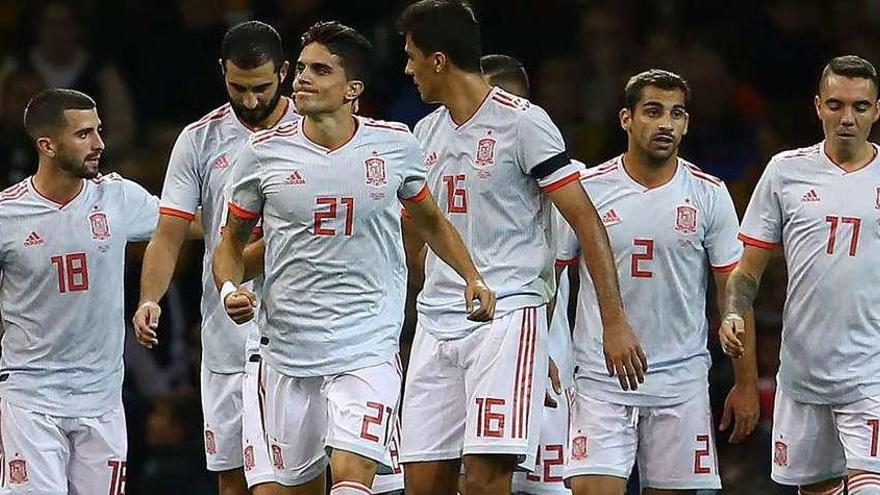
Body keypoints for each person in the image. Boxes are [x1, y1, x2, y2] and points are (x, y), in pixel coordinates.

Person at [213, 21, 494, 495]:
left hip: (367, 344)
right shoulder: (261, 154)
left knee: (352, 477)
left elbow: (430, 221)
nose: (301, 79)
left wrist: (472, 277)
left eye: (320, 71)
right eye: (301, 68)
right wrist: (228, 289)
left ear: (353, 89)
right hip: (287, 349)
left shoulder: (394, 144)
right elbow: (229, 244)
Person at [395, 3, 644, 494]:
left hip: (508, 314)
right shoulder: (423, 134)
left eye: (411, 56)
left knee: (487, 478)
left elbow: (587, 223)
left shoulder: (525, 124)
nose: (408, 69)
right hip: (436, 317)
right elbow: (414, 231)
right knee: (422, 481)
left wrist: (614, 322)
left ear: (439, 60)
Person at [557, 69, 760, 494]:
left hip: (680, 382)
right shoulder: (588, 190)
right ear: (626, 119)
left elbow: (734, 290)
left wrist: (745, 383)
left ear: (686, 124)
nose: (666, 123)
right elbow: (551, 279)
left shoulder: (708, 193)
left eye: (676, 114)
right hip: (600, 379)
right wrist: (547, 356)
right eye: (652, 111)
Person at [132, 21, 294, 495]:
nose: (250, 100)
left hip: (300, 331)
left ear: (283, 73)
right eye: (237, 87)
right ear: (221, 72)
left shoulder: (311, 131)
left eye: (261, 87)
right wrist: (150, 298)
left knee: (296, 476)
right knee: (232, 478)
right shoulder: (199, 139)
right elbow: (169, 233)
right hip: (226, 334)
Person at [722, 55, 880, 495]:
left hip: (871, 370)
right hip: (803, 372)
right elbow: (746, 270)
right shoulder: (785, 171)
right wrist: (734, 311)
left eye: (860, 107)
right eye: (835, 105)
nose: (846, 118)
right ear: (817, 107)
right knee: (817, 489)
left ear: (877, 111)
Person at [0, 88, 158, 494]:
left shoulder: (117, 197)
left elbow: (183, 226)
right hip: (31, 397)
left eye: (99, 131)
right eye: (84, 134)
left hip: (102, 399)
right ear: (47, 145)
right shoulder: (7, 215)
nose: (100, 144)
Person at [478, 52, 575, 495]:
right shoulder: (448, 157)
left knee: (541, 488)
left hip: (542, 351)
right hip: (466, 345)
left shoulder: (566, 179)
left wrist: (538, 348)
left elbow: (554, 268)